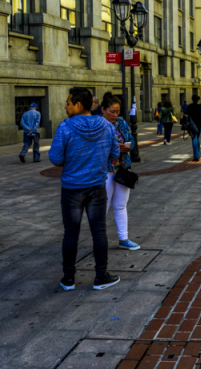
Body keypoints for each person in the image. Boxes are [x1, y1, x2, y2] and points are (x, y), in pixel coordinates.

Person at [49, 87, 121, 291]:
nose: (65, 106)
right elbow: (115, 153)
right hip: (97, 186)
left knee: (70, 233)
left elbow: (55, 158)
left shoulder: (65, 127)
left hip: (72, 188)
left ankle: (68, 279)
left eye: (68, 103)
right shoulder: (106, 126)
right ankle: (100, 276)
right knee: (99, 231)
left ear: (78, 105)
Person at [98, 93, 140, 251]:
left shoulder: (121, 122)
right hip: (106, 169)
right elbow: (96, 148)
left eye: (117, 111)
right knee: (104, 206)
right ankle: (100, 240)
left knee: (121, 205)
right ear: (103, 109)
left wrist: (129, 146)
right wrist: (115, 148)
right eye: (111, 111)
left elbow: (131, 139)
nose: (115, 115)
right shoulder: (98, 124)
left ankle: (124, 238)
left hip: (122, 168)